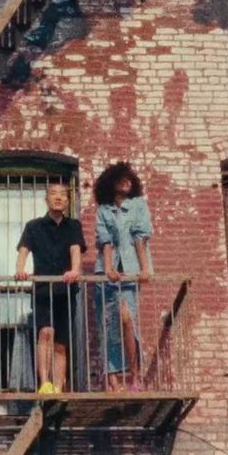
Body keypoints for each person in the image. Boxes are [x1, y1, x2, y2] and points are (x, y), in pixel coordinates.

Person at [15, 182, 84, 394]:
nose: (58, 197)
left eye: (63, 194)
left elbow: (75, 251)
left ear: (67, 201)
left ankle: (58, 386)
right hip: (43, 290)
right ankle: (44, 382)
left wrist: (75, 270)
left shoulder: (73, 226)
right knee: (45, 332)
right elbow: (24, 251)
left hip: (65, 290)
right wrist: (20, 270)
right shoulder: (33, 226)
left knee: (61, 343)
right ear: (47, 199)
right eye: (53, 194)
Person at [93, 162, 153, 392]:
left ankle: (135, 374)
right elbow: (105, 241)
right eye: (121, 178)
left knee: (127, 319)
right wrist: (108, 269)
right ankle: (113, 380)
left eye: (129, 178)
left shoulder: (138, 205)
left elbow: (141, 238)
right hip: (107, 275)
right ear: (111, 182)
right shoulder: (103, 210)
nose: (126, 181)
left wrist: (144, 269)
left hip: (129, 272)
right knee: (108, 326)